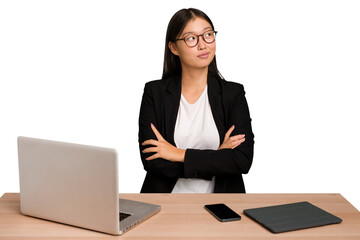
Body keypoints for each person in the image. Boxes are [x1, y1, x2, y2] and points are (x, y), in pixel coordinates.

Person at [138, 8, 254, 193]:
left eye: (208, 35)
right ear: (174, 47)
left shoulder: (233, 94)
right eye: (191, 38)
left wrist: (178, 154)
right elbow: (153, 161)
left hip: (222, 204)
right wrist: (218, 157)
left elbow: (241, 160)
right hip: (165, 204)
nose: (203, 45)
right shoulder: (155, 93)